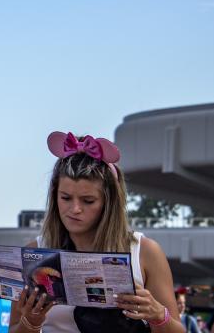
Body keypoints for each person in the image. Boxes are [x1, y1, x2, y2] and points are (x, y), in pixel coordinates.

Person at [10, 131, 184, 333]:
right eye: (65, 198)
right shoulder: (35, 253)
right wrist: (31, 322)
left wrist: (158, 315)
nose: (74, 209)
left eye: (88, 201)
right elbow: (13, 328)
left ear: (108, 203)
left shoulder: (144, 251)